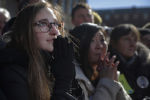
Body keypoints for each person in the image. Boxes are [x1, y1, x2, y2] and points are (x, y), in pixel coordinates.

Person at [0, 1, 75, 100]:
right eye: (43, 24)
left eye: (56, 24)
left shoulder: (53, 64)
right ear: (25, 32)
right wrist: (63, 81)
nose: (55, 31)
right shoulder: (11, 73)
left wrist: (70, 79)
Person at [69, 23, 131, 100]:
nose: (100, 46)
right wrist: (107, 82)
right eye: (92, 40)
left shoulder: (109, 72)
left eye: (102, 40)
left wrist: (115, 82)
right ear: (78, 46)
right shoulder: (72, 79)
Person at [108, 24, 150, 100]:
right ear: (114, 43)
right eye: (126, 39)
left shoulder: (147, 63)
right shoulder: (107, 66)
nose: (132, 44)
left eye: (135, 40)